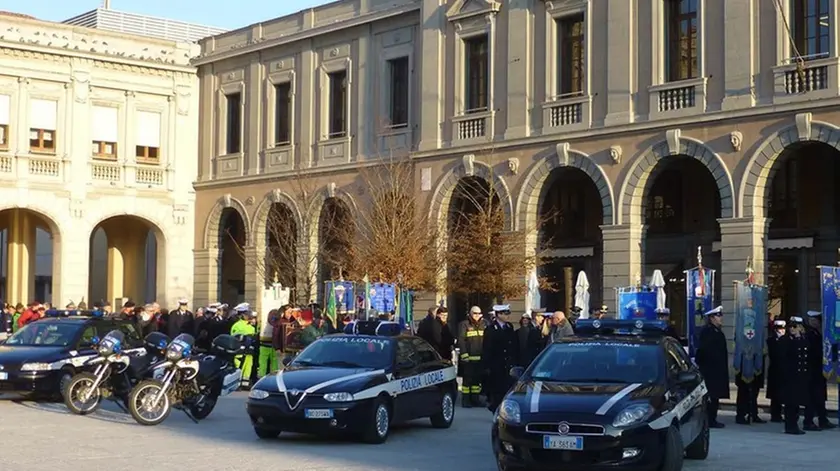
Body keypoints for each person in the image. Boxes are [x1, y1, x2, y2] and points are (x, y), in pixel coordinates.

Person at [695, 306, 729, 428]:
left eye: (720, 316)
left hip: (716, 370)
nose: (721, 318)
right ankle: (710, 419)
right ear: (711, 318)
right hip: (710, 370)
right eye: (718, 316)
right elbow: (704, 351)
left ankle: (712, 418)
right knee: (711, 396)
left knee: (715, 396)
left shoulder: (716, 331)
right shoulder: (708, 332)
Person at [802, 311, 836, 430]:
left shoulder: (817, 333)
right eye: (813, 320)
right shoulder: (810, 335)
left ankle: (823, 419)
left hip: (818, 371)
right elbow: (814, 352)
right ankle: (808, 421)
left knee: (820, 397)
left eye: (816, 321)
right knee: (812, 397)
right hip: (812, 371)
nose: (815, 323)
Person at [482, 305, 519, 412]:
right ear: (498, 315)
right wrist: (487, 366)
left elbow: (513, 346)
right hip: (496, 365)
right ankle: (496, 409)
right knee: (497, 390)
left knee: (507, 388)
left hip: (508, 364)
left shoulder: (509, 327)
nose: (507, 316)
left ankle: (502, 409)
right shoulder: (491, 329)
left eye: (508, 314)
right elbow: (487, 348)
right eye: (505, 314)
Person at [780, 316, 811, 435]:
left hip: (801, 376)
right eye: (790, 326)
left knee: (797, 402)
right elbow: (783, 358)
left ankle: (795, 424)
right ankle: (790, 426)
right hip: (790, 377)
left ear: (800, 327)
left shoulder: (803, 339)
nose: (792, 329)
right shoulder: (786, 340)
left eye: (795, 326)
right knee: (791, 403)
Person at [458, 306, 486, 408]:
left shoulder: (484, 324)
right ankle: (466, 400)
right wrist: (464, 355)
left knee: (476, 382)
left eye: (478, 313)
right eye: (474, 313)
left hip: (480, 358)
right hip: (468, 358)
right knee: (467, 381)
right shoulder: (464, 325)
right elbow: (461, 341)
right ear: (470, 313)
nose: (477, 315)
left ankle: (475, 399)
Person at [230, 303, 258, 388]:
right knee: (238, 367)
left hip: (249, 350)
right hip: (240, 350)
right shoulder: (237, 325)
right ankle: (236, 384)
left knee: (248, 366)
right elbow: (234, 337)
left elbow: (254, 337)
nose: (248, 316)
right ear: (242, 315)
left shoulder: (251, 326)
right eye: (246, 315)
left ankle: (245, 383)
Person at [766, 319, 787, 423]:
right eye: (779, 328)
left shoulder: (787, 340)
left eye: (783, 328)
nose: (781, 331)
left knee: (783, 393)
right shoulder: (771, 341)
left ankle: (780, 414)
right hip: (775, 370)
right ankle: (775, 414)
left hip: (784, 370)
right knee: (775, 395)